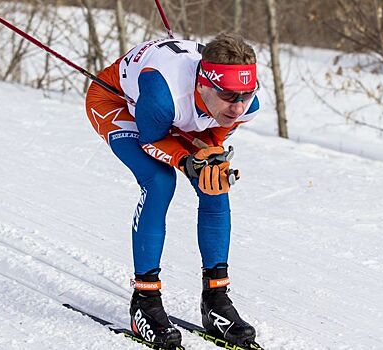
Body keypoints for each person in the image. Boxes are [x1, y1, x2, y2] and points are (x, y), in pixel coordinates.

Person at [85, 33, 260, 348]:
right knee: (160, 181)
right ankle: (145, 302)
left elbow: (216, 127)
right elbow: (152, 140)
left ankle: (215, 301)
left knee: (214, 183)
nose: (237, 107)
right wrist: (188, 161)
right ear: (205, 84)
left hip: (176, 113)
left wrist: (211, 158)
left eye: (245, 95)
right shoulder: (164, 93)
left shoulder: (244, 104)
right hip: (119, 103)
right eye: (229, 96)